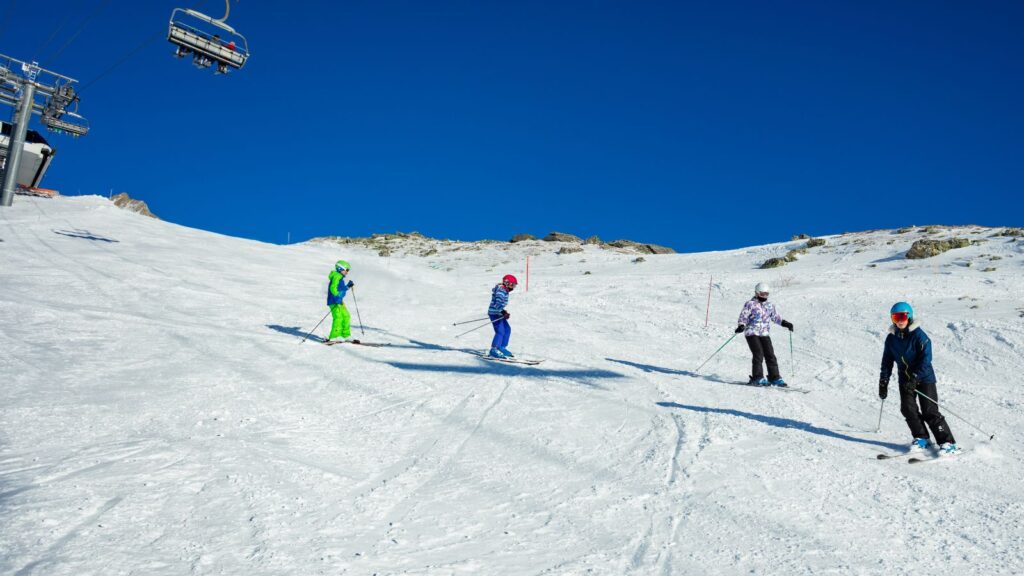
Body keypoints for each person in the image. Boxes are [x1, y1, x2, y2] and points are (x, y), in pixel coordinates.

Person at [879, 302, 958, 455]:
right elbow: (887, 361)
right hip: (905, 378)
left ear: (909, 316)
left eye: (902, 316)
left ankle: (948, 443)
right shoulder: (891, 339)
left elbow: (926, 359)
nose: (900, 320)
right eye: (896, 317)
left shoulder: (920, 336)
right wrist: (884, 380)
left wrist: (915, 378)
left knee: (930, 411)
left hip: (924, 377)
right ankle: (921, 438)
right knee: (908, 409)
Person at [735, 282, 794, 386]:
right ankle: (757, 378)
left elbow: (775, 317)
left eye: (766, 294)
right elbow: (743, 316)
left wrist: (785, 323)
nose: (764, 296)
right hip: (751, 332)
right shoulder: (750, 304)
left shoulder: (770, 306)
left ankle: (774, 377)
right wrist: (741, 325)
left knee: (770, 355)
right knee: (758, 354)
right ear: (757, 293)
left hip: (764, 333)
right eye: (762, 294)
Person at [487, 274, 517, 358]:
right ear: (507, 283)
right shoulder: (501, 291)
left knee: (507, 329)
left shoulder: (504, 290)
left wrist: (503, 312)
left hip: (498, 313)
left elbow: (499, 305)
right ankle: (494, 349)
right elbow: (497, 304)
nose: (513, 287)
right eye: (512, 285)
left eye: (514, 285)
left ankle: (502, 347)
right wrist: (503, 312)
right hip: (494, 313)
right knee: (500, 331)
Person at [326, 260, 355, 343]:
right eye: (346, 270)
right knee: (338, 317)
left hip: (339, 301)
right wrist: (337, 296)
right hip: (334, 301)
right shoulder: (336, 276)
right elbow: (333, 288)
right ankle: (334, 336)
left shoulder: (340, 278)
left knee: (346, 316)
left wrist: (348, 286)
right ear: (340, 268)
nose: (347, 272)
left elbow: (341, 289)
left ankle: (345, 335)